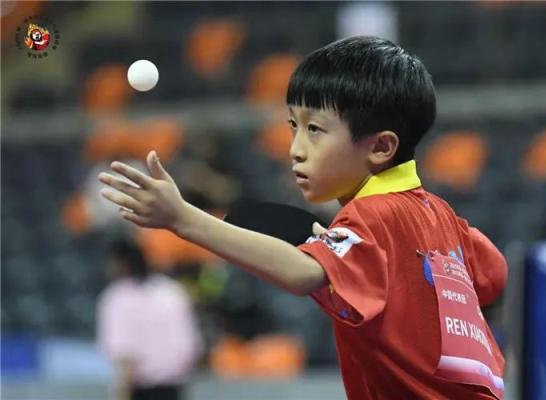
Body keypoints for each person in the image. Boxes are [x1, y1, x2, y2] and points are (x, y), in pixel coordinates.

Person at [98, 36, 508, 399]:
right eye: (293, 125)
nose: (295, 148)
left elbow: (302, 274)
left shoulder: (373, 215)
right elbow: (493, 274)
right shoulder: (442, 216)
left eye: (315, 130)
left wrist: (183, 219)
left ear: (381, 147)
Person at [97, 238, 201, 400]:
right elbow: (190, 348)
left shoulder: (117, 297)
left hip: (139, 390)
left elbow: (125, 358)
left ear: (122, 264)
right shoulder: (172, 291)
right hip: (175, 389)